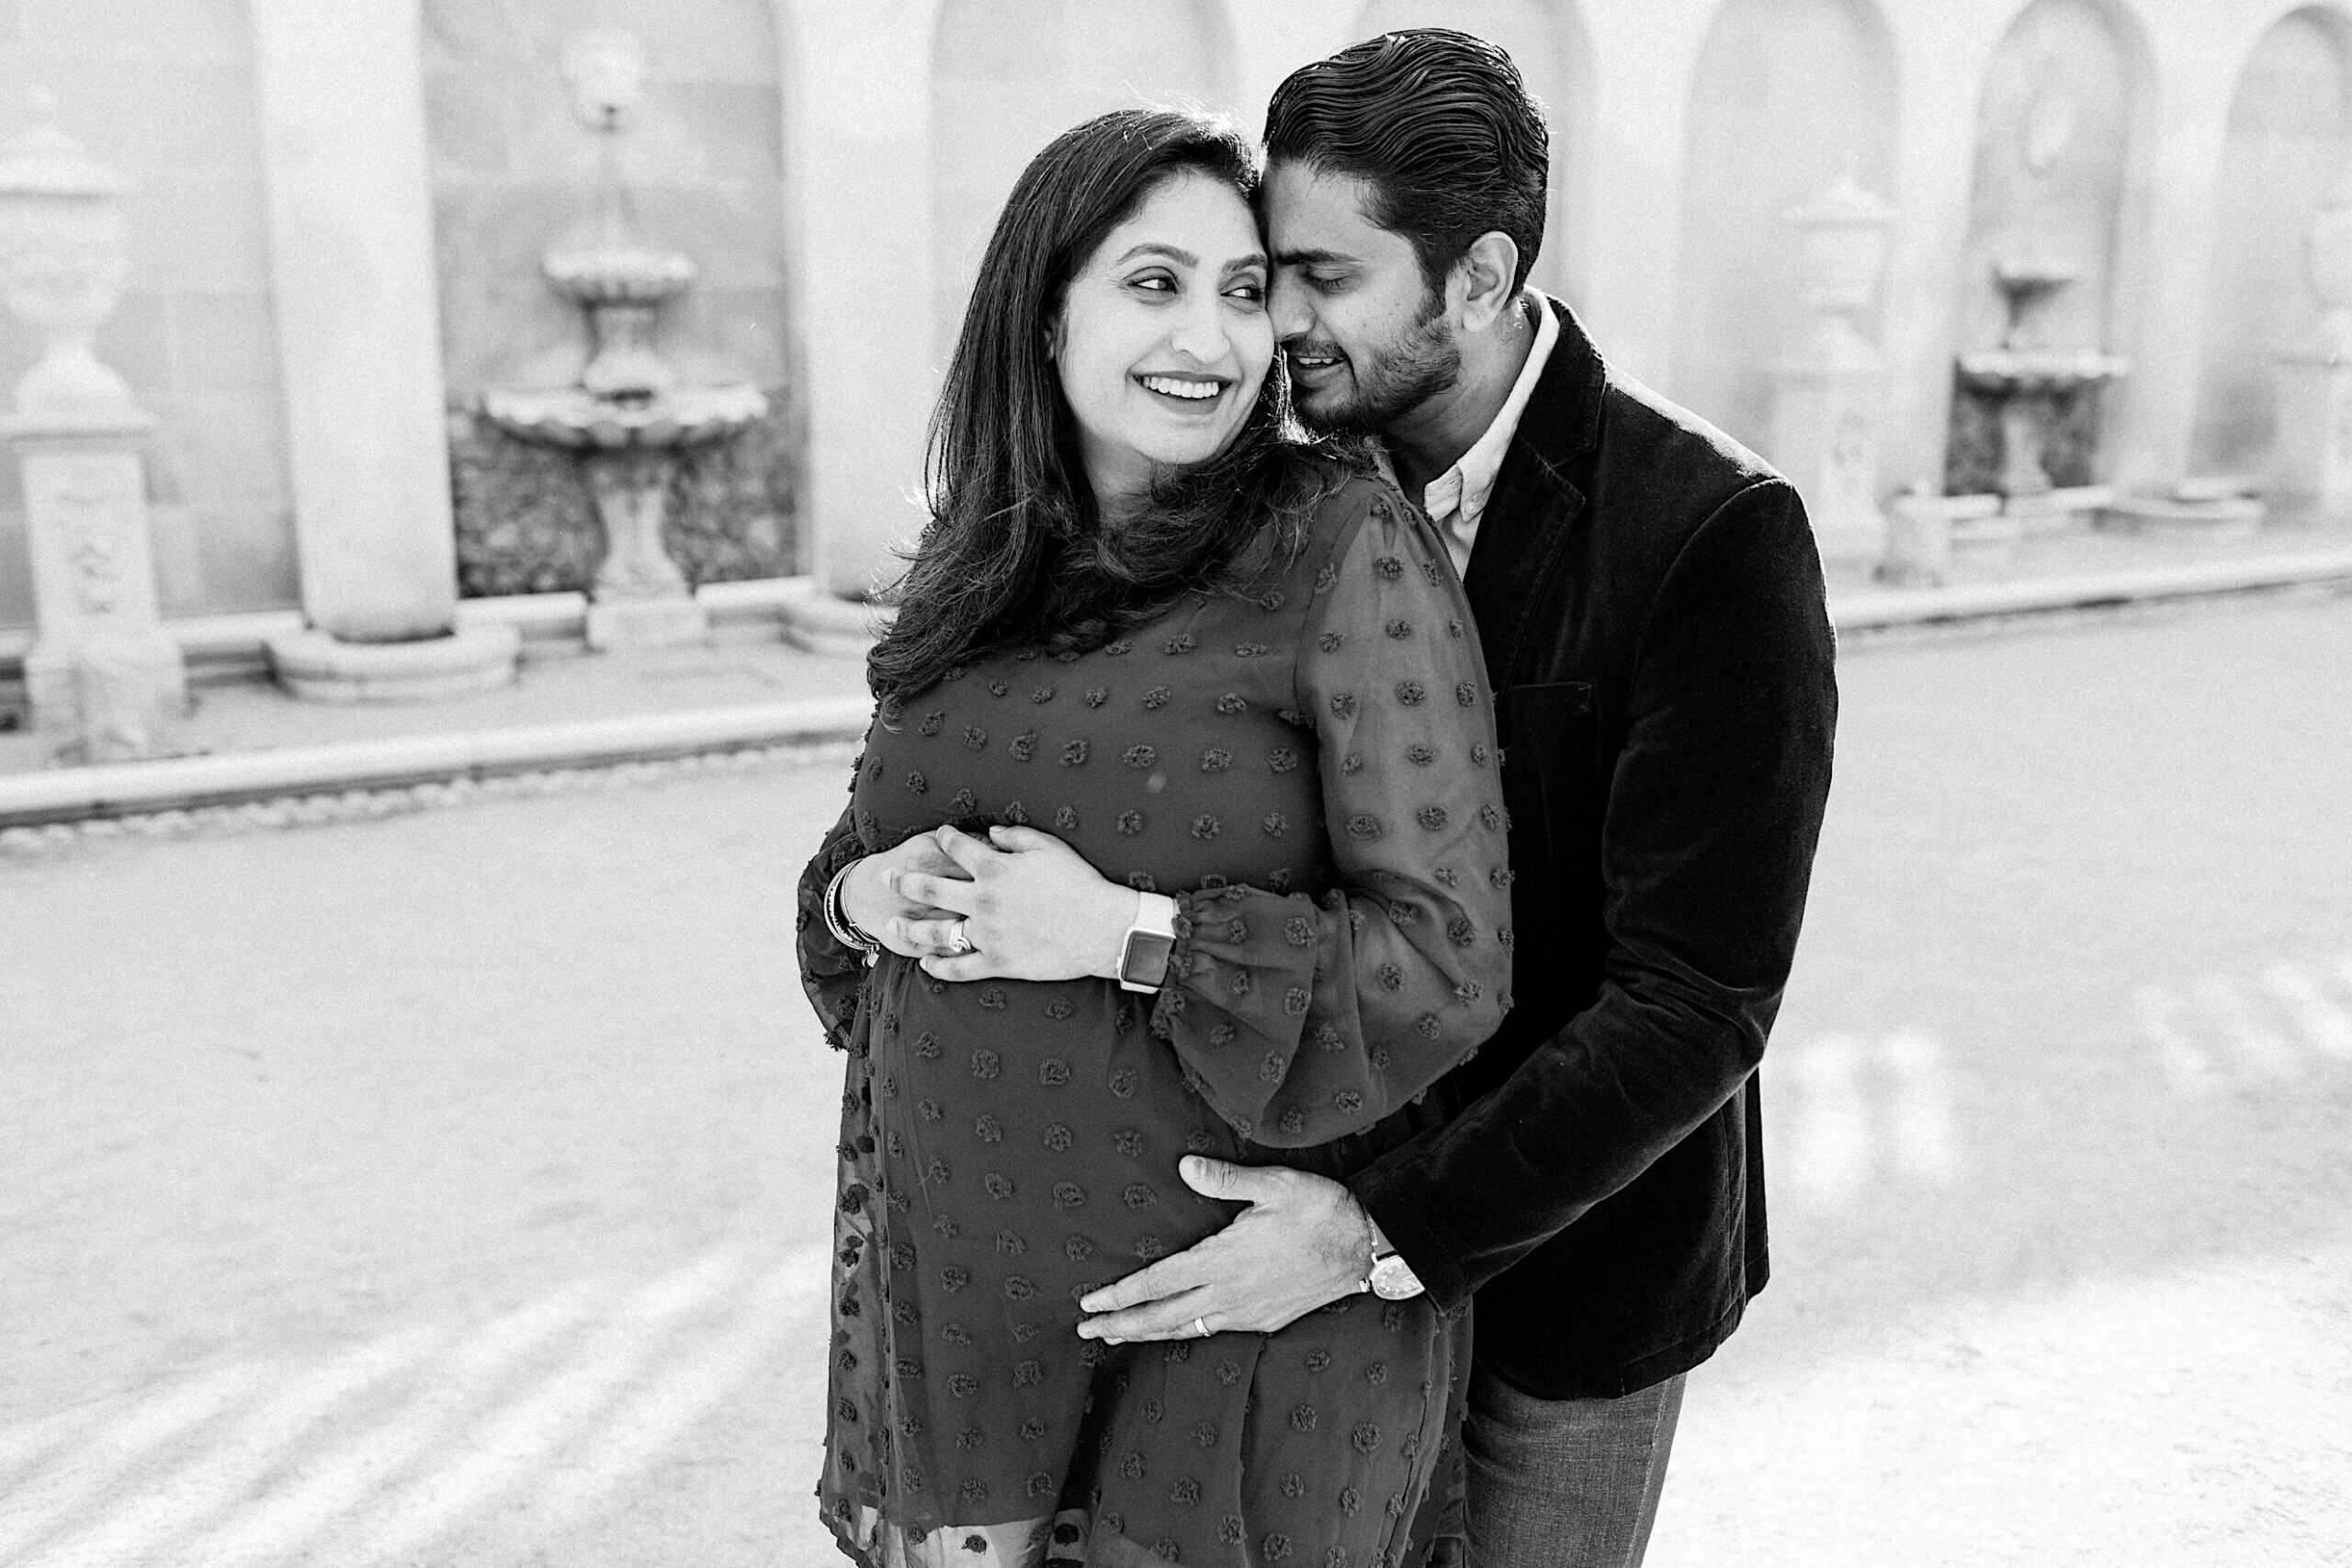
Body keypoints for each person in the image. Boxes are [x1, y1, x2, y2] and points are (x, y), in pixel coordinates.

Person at [1057, 31, 1841, 1567]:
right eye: (1270, 271)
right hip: (1291, 1246)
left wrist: (1376, 1230)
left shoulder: (1713, 532)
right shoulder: (1271, 486)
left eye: (1324, 277)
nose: (1276, 322)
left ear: (1477, 278)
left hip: (1569, 1283)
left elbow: (1698, 1000)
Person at [796, 107, 1514, 1568]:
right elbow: (850, 867)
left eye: (1244, 291)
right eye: (1154, 283)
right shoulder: (978, 558)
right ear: (1045, 312)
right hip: (968, 1314)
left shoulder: (1336, 541)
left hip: (1227, 1318)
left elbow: (1449, 959)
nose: (1213, 337)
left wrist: (1125, 935)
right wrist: (863, 897)